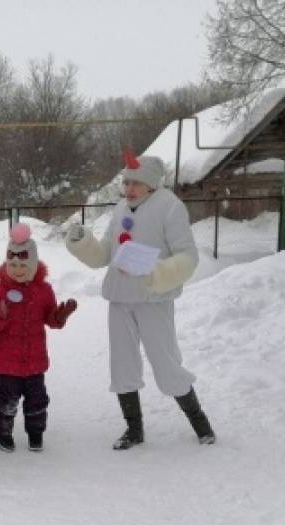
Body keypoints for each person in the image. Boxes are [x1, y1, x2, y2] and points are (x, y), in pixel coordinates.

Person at [65, 151, 216, 448]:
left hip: (153, 297)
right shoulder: (121, 207)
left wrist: (160, 272)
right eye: (126, 183)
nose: (129, 189)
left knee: (165, 361)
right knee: (122, 364)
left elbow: (188, 255)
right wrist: (83, 242)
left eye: (136, 183)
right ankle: (134, 429)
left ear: (151, 184)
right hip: (120, 297)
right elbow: (106, 253)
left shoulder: (170, 207)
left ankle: (200, 422)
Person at [0, 224, 77, 453]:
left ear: (34, 265)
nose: (17, 270)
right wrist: (2, 313)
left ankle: (35, 433)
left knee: (37, 400)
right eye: (13, 265)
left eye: (23, 265)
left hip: (35, 360)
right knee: (6, 401)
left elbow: (51, 320)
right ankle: (3, 433)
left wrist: (59, 316)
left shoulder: (44, 290)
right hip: (8, 361)